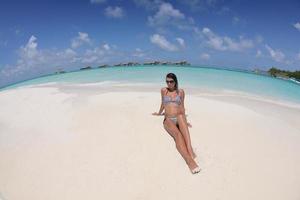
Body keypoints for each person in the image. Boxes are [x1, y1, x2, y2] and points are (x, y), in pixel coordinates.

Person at [152, 73, 201, 174]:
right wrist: (159, 113)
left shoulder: (181, 92)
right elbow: (163, 103)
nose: (169, 84)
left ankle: (190, 150)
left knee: (185, 133)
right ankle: (190, 161)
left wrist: (185, 122)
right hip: (168, 119)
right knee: (178, 136)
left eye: (171, 81)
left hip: (179, 116)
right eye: (167, 81)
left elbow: (182, 107)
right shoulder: (163, 90)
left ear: (175, 82)